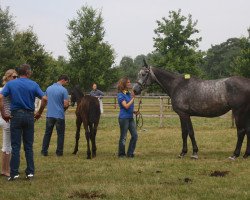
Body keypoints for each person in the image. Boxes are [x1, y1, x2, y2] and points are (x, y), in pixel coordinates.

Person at [0, 64, 47, 181]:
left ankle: (14, 173)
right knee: (28, 146)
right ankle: (30, 172)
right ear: (28, 72)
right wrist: (39, 112)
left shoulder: (10, 84)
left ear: (19, 73)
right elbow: (45, 98)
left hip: (15, 115)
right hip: (29, 115)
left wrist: (3, 114)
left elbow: (0, 97)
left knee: (15, 146)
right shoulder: (33, 84)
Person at [41, 75, 69, 157]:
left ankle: (44, 151)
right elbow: (66, 104)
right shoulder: (64, 90)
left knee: (47, 133)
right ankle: (59, 152)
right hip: (59, 115)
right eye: (66, 82)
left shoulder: (49, 88)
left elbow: (45, 99)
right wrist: (67, 105)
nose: (66, 84)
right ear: (63, 80)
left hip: (49, 115)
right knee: (60, 134)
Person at [0, 69, 18, 177]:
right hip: (7, 119)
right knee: (7, 146)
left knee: (6, 145)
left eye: (16, 77)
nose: (16, 78)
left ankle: (4, 169)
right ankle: (6, 170)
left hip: (3, 118)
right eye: (14, 77)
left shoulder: (2, 88)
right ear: (8, 77)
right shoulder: (9, 89)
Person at [117, 77, 138, 158]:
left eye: (129, 82)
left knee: (135, 135)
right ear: (124, 84)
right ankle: (121, 154)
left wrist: (134, 111)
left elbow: (129, 106)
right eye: (128, 82)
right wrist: (133, 99)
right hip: (123, 118)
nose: (130, 83)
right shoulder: (120, 95)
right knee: (123, 137)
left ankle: (130, 153)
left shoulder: (128, 93)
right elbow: (125, 106)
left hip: (130, 117)